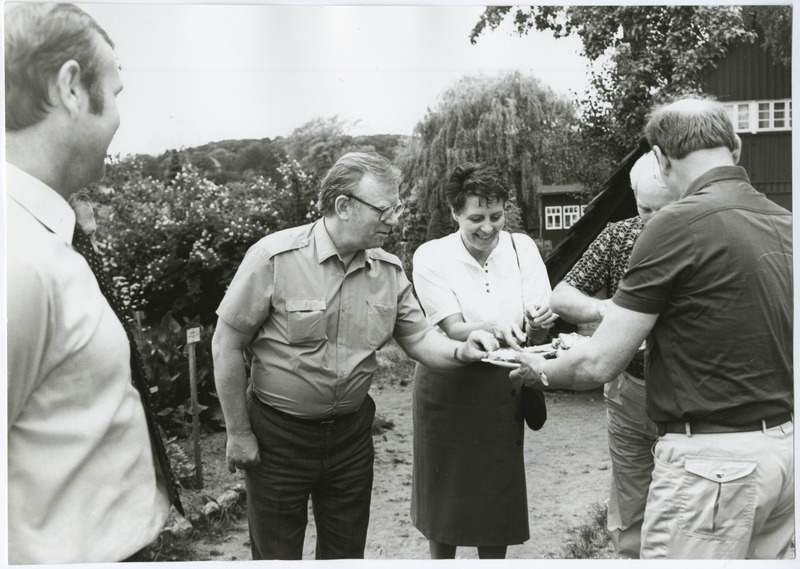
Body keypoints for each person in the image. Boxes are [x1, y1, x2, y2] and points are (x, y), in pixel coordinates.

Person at [512, 96, 793, 559]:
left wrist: (534, 368)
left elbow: (598, 363)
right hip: (783, 454)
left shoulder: (674, 224)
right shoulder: (784, 222)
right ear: (737, 147)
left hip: (710, 467)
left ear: (661, 161)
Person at [212, 151, 498, 560]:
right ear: (344, 206)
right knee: (276, 556)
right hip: (279, 437)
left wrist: (462, 349)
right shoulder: (273, 258)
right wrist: (238, 432)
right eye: (385, 209)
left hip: (350, 439)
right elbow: (227, 344)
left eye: (397, 208)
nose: (395, 219)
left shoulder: (389, 270)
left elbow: (419, 338)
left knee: (346, 557)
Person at [6, 3, 180, 563]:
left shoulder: (47, 233)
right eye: (118, 93)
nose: (119, 118)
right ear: (72, 89)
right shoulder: (17, 257)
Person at [410, 163, 556, 559]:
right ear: (454, 213)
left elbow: (535, 328)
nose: (488, 228)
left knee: (496, 498)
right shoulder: (431, 256)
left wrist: (540, 323)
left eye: (496, 216)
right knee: (446, 498)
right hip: (449, 382)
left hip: (502, 387)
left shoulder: (522, 247)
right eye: (476, 217)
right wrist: (497, 323)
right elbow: (454, 327)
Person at [548, 151, 674, 558]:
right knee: (631, 503)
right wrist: (606, 311)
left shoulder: (700, 238)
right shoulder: (618, 236)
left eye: (664, 209)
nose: (652, 220)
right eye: (645, 208)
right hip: (629, 390)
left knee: (683, 505)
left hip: (688, 394)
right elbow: (562, 295)